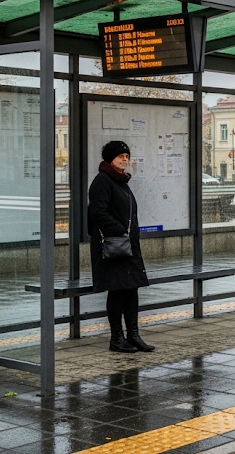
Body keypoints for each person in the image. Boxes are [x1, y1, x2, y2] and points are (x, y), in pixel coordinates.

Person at [88, 141, 154, 353]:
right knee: (117, 291)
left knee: (131, 289)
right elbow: (98, 213)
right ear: (110, 158)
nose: (125, 159)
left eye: (127, 155)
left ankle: (133, 335)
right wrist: (120, 230)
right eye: (120, 156)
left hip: (126, 246)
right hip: (113, 246)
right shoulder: (102, 181)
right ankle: (117, 338)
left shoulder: (120, 181)